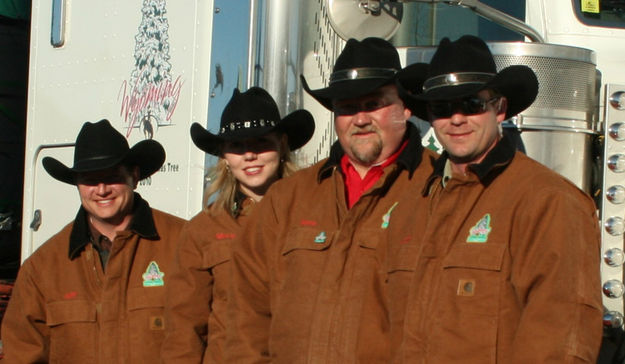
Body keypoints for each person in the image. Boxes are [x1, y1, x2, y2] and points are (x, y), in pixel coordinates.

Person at [388, 35, 603, 362]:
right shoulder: (410, 202)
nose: (456, 118)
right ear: (429, 116)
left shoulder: (549, 202)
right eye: (442, 107)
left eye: (471, 104)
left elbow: (561, 338)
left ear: (499, 108)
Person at [227, 37, 436, 363]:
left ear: (405, 106)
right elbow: (246, 317)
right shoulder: (288, 199)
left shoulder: (440, 189)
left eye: (374, 104)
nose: (360, 118)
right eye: (347, 107)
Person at [1, 119, 186, 363]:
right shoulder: (42, 267)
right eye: (89, 180)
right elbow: (21, 354)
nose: (101, 189)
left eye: (111, 177)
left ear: (134, 176)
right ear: (77, 184)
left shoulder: (185, 243)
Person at [161, 87, 314, 363]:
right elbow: (184, 331)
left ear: (282, 145)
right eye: (237, 146)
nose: (249, 155)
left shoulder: (316, 216)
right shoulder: (202, 231)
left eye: (260, 143)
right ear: (224, 156)